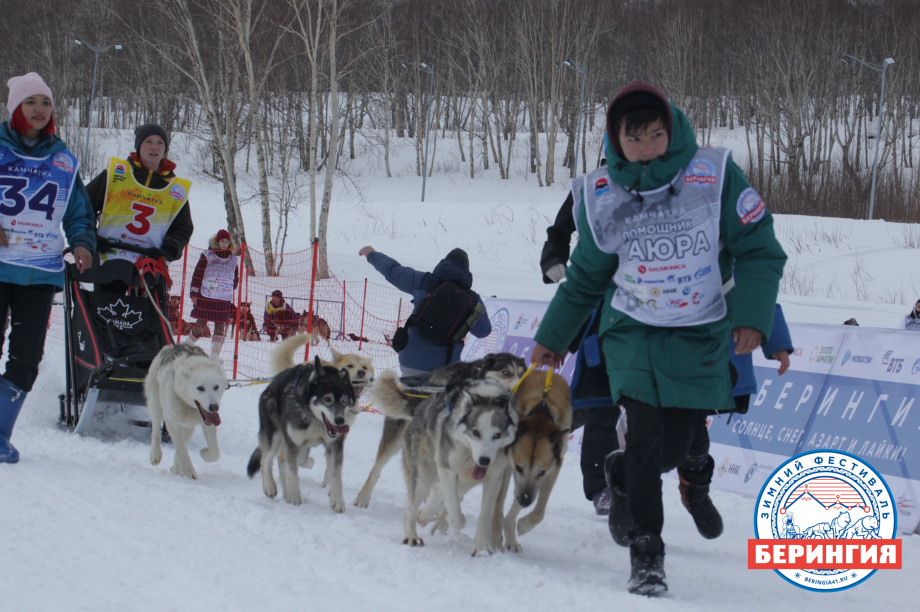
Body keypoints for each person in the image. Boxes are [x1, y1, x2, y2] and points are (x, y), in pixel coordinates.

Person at [530, 81, 786, 595]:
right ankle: (647, 553)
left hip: (699, 333)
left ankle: (624, 473)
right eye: (634, 138)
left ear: (671, 130)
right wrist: (553, 337)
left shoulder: (713, 175)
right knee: (644, 433)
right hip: (632, 332)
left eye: (654, 134)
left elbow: (759, 249)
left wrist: (758, 320)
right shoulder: (602, 193)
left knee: (671, 449)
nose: (646, 147)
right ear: (616, 140)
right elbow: (586, 277)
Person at [0, 72, 96, 463]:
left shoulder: (63, 159)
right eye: (30, 102)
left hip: (39, 272)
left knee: (26, 359)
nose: (39, 109)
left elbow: (77, 211)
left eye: (45, 103)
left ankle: (0, 434)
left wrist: (82, 243)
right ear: (15, 108)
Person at [541, 186, 619, 516]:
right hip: (595, 310)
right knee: (600, 405)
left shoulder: (666, 182)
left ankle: (691, 476)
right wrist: (553, 259)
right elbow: (559, 231)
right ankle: (603, 488)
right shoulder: (588, 188)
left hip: (652, 310)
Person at [359, 246, 491, 376]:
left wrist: (371, 254)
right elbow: (483, 331)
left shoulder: (423, 281)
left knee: (409, 386)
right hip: (444, 369)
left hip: (409, 361)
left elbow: (393, 270)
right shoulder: (473, 300)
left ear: (443, 264)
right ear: (467, 273)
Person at [86, 122, 193, 266]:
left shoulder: (175, 188)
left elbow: (182, 227)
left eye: (160, 142)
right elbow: (84, 204)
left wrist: (169, 248)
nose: (154, 147)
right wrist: (90, 237)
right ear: (139, 145)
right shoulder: (116, 173)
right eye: (148, 141)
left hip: (149, 265)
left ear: (165, 148)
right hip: (105, 258)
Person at [188, 229, 239, 358]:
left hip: (222, 298)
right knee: (200, 324)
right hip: (206, 296)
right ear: (217, 242)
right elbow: (198, 274)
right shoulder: (207, 256)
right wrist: (194, 293)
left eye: (227, 241)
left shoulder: (233, 260)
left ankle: (214, 357)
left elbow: (235, 277)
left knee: (220, 326)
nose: (224, 244)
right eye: (222, 241)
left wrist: (230, 287)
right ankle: (186, 348)